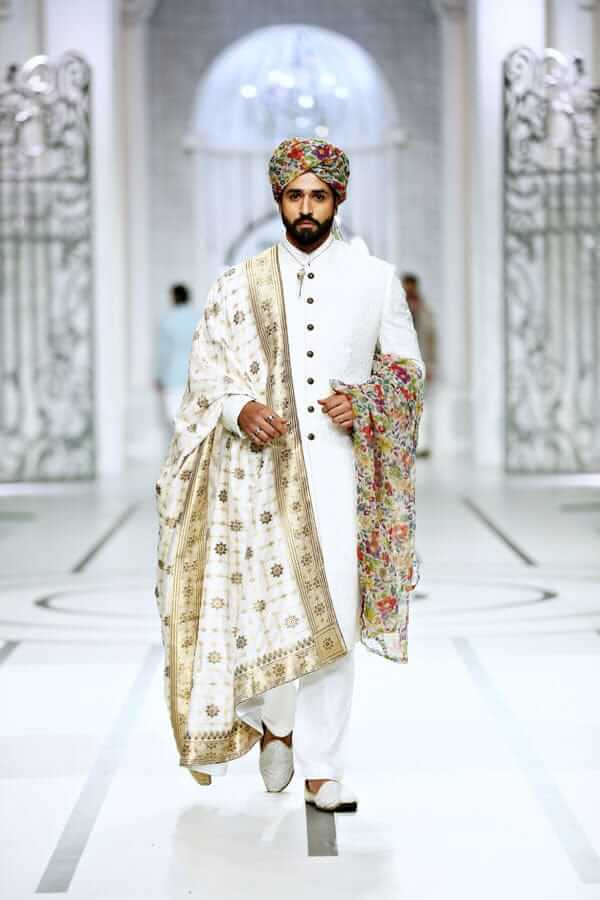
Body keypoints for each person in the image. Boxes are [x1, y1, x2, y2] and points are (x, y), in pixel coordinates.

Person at [155, 138, 425, 814]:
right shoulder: (237, 284)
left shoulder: (375, 280)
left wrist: (364, 402)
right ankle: (275, 721)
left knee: (332, 614)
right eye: (295, 195)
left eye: (319, 196)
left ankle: (323, 769)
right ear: (279, 199)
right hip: (257, 478)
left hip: (339, 479)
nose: (307, 208)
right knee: (267, 613)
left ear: (338, 199)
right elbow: (206, 373)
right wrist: (237, 407)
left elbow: (407, 371)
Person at [402, 273, 437, 456]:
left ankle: (422, 444)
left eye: (411, 286)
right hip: (402, 364)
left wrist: (431, 364)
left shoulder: (425, 311)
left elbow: (432, 339)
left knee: (424, 404)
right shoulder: (397, 308)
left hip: (422, 362)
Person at [156, 283, 197, 426]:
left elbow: (164, 353)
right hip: (195, 376)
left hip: (173, 377)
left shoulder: (167, 321)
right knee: (194, 422)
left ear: (173, 297)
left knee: (176, 422)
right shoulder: (198, 318)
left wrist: (159, 377)